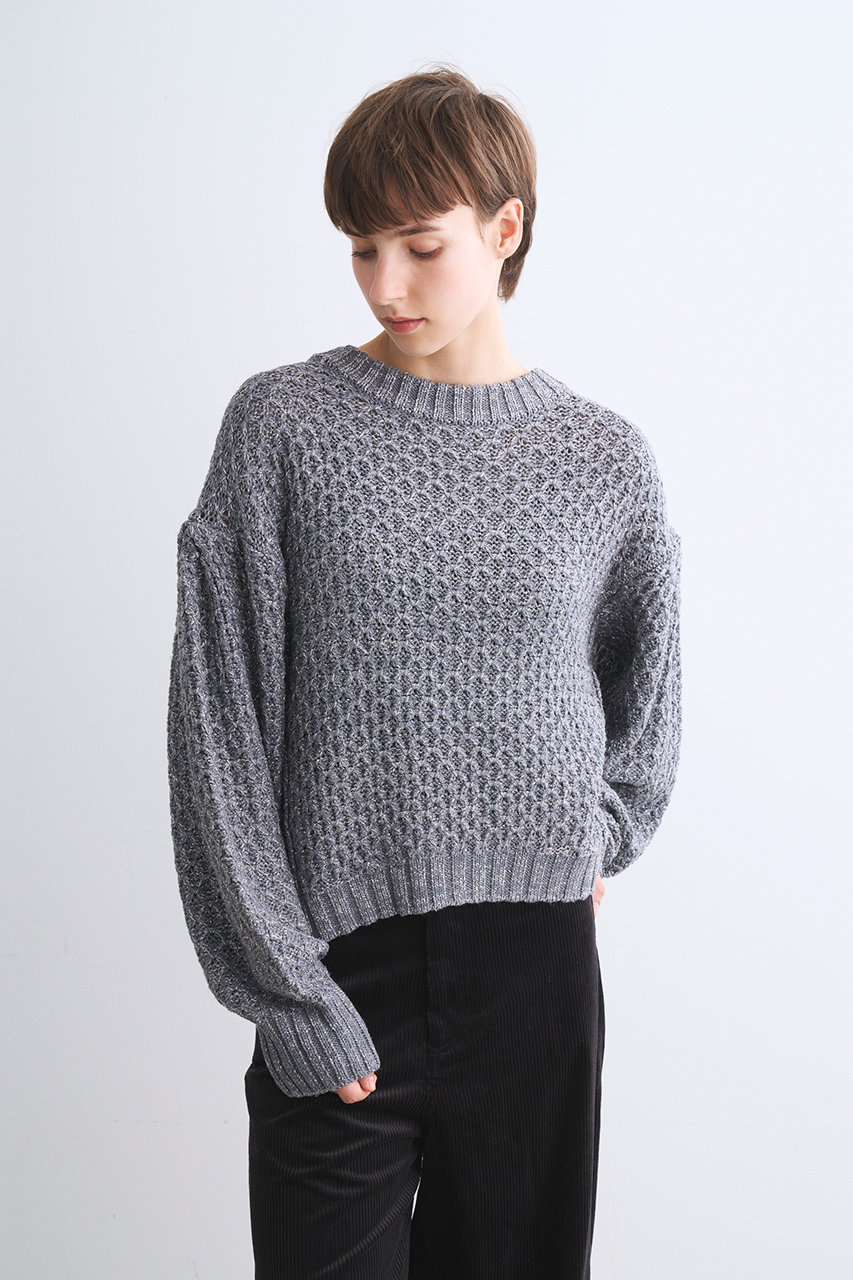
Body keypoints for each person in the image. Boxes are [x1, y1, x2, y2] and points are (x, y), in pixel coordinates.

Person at [167, 65, 682, 1280]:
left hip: (535, 977)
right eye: (361, 248)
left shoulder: (602, 460)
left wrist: (595, 831)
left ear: (504, 230)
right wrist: (286, 996)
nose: (385, 284)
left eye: (419, 245)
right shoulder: (282, 429)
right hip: (338, 971)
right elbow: (217, 735)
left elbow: (646, 698)